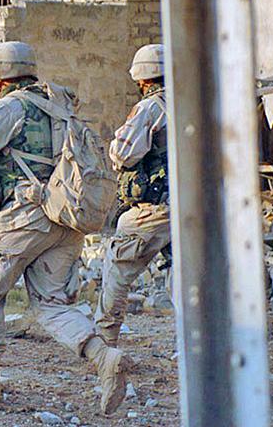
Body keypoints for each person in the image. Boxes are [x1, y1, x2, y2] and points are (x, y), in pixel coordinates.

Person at [0, 41, 130, 415]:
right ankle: (103, 357)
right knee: (51, 304)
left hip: (23, 215)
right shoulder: (60, 106)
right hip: (65, 219)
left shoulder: (12, 106)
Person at [95, 43, 170, 345]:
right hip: (194, 205)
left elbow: (124, 153)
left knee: (117, 267)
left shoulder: (151, 107)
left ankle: (105, 340)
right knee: (184, 276)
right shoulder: (195, 101)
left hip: (154, 210)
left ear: (143, 79)